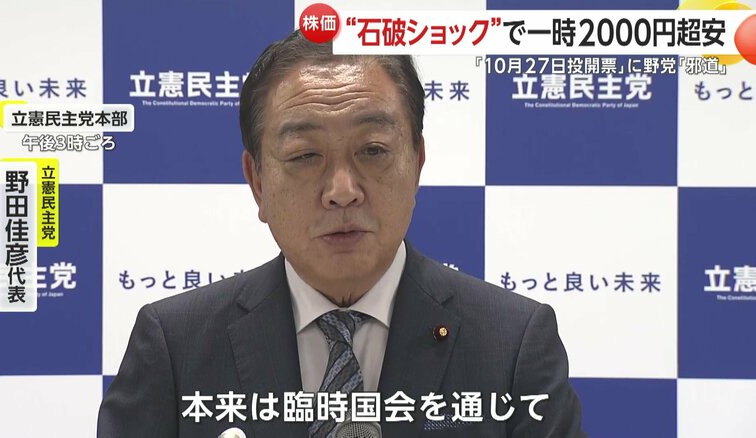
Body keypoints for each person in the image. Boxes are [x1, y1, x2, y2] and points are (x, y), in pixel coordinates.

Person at [98, 29, 586, 438]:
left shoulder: (513, 343)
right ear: (257, 182)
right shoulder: (175, 346)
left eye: (372, 150)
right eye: (305, 155)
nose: (342, 191)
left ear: (417, 163)